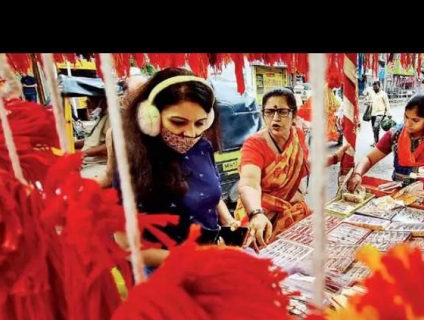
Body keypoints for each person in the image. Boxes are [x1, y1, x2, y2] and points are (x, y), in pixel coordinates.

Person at [113, 68, 238, 270]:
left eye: (200, 123)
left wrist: (231, 229)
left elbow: (212, 195)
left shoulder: (203, 147)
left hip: (211, 261)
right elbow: (126, 245)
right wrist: (192, 258)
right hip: (166, 273)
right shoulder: (132, 164)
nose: (190, 133)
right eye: (178, 122)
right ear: (150, 117)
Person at [347, 93, 424, 195]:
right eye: (406, 117)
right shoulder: (396, 134)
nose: (407, 124)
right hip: (400, 195)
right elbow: (369, 158)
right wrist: (358, 174)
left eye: (415, 120)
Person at [236, 88, 310, 250]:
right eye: (269, 112)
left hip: (290, 210)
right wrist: (256, 213)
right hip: (259, 215)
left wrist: (335, 158)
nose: (275, 118)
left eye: (282, 112)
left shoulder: (297, 135)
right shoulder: (254, 144)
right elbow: (249, 184)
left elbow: (305, 165)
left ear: (294, 115)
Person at [97, 74, 149, 188]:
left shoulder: (170, 132)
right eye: (136, 96)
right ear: (125, 99)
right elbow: (109, 175)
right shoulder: (115, 133)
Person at [78, 95, 110, 181]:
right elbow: (92, 140)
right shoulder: (102, 116)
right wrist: (73, 144)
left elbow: (110, 145)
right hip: (87, 162)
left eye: (90, 101)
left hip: (98, 164)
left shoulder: (111, 117)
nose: (87, 105)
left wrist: (84, 153)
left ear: (102, 101)